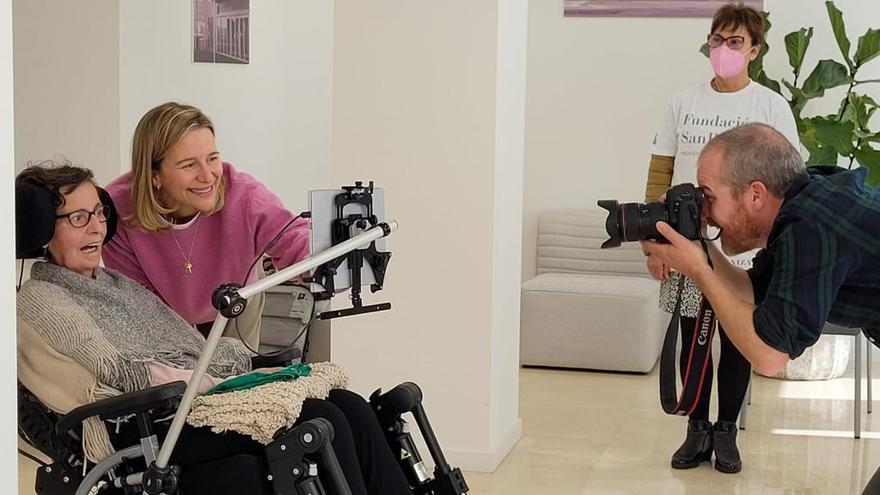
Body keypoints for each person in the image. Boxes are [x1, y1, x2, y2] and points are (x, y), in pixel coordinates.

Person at [16, 162, 413, 495]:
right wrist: (201, 379)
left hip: (191, 402)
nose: (97, 228)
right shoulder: (40, 298)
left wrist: (232, 372)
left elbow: (188, 343)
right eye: (79, 218)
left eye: (100, 213)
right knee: (319, 418)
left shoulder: (119, 285)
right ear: (41, 231)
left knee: (351, 406)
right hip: (149, 427)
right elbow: (118, 369)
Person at [644, 122, 880, 492]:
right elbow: (752, 290)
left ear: (755, 194)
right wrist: (699, 249)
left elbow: (769, 356)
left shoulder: (810, 224)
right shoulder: (805, 201)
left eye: (708, 196)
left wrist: (699, 273)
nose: (704, 211)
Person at [642, 3, 799, 474]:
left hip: (748, 243)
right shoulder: (683, 102)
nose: (724, 50)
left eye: (735, 42)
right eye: (717, 41)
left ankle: (726, 431)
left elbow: (790, 178)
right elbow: (659, 172)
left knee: (737, 336)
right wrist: (654, 242)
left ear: (754, 49)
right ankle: (696, 428)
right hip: (690, 240)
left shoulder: (769, 105)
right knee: (693, 337)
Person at [103, 102, 309, 349]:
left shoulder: (245, 196)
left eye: (212, 159)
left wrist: (326, 263)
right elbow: (145, 309)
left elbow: (296, 240)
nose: (208, 175)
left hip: (237, 295)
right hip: (162, 307)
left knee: (239, 381)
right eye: (189, 165)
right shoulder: (117, 212)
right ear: (153, 174)